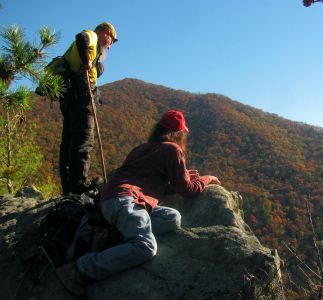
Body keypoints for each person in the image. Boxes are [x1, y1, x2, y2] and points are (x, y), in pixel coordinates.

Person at [57, 110, 220, 296]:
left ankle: (116, 236)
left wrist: (179, 178)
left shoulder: (141, 149)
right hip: (126, 201)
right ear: (179, 134)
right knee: (146, 247)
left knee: (172, 218)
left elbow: (148, 182)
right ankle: (81, 269)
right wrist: (206, 179)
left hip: (115, 199)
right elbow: (189, 191)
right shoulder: (172, 150)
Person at [58, 22, 118, 195]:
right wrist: (87, 62)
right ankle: (79, 184)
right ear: (106, 33)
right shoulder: (91, 35)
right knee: (84, 140)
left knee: (69, 140)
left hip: (69, 94)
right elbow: (81, 37)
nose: (110, 45)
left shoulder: (92, 48)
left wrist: (94, 66)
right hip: (81, 93)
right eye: (111, 41)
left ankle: (68, 186)